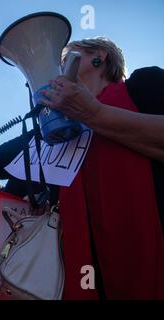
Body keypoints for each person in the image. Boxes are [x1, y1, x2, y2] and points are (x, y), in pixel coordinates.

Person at [36, 37, 164, 299]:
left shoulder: (144, 83)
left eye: (68, 57)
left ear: (100, 56)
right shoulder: (61, 129)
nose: (60, 66)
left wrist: (94, 114)